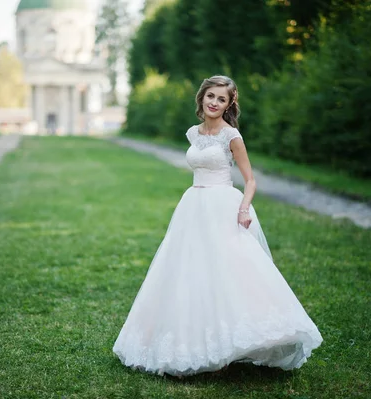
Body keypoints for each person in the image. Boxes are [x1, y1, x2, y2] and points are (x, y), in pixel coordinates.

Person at [112, 75, 323, 377]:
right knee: (188, 271)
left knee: (227, 271)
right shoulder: (193, 133)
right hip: (193, 206)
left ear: (228, 105)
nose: (214, 102)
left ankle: (229, 346)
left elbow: (250, 180)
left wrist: (244, 209)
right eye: (210, 96)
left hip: (223, 205)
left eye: (221, 99)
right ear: (202, 97)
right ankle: (195, 342)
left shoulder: (231, 136)